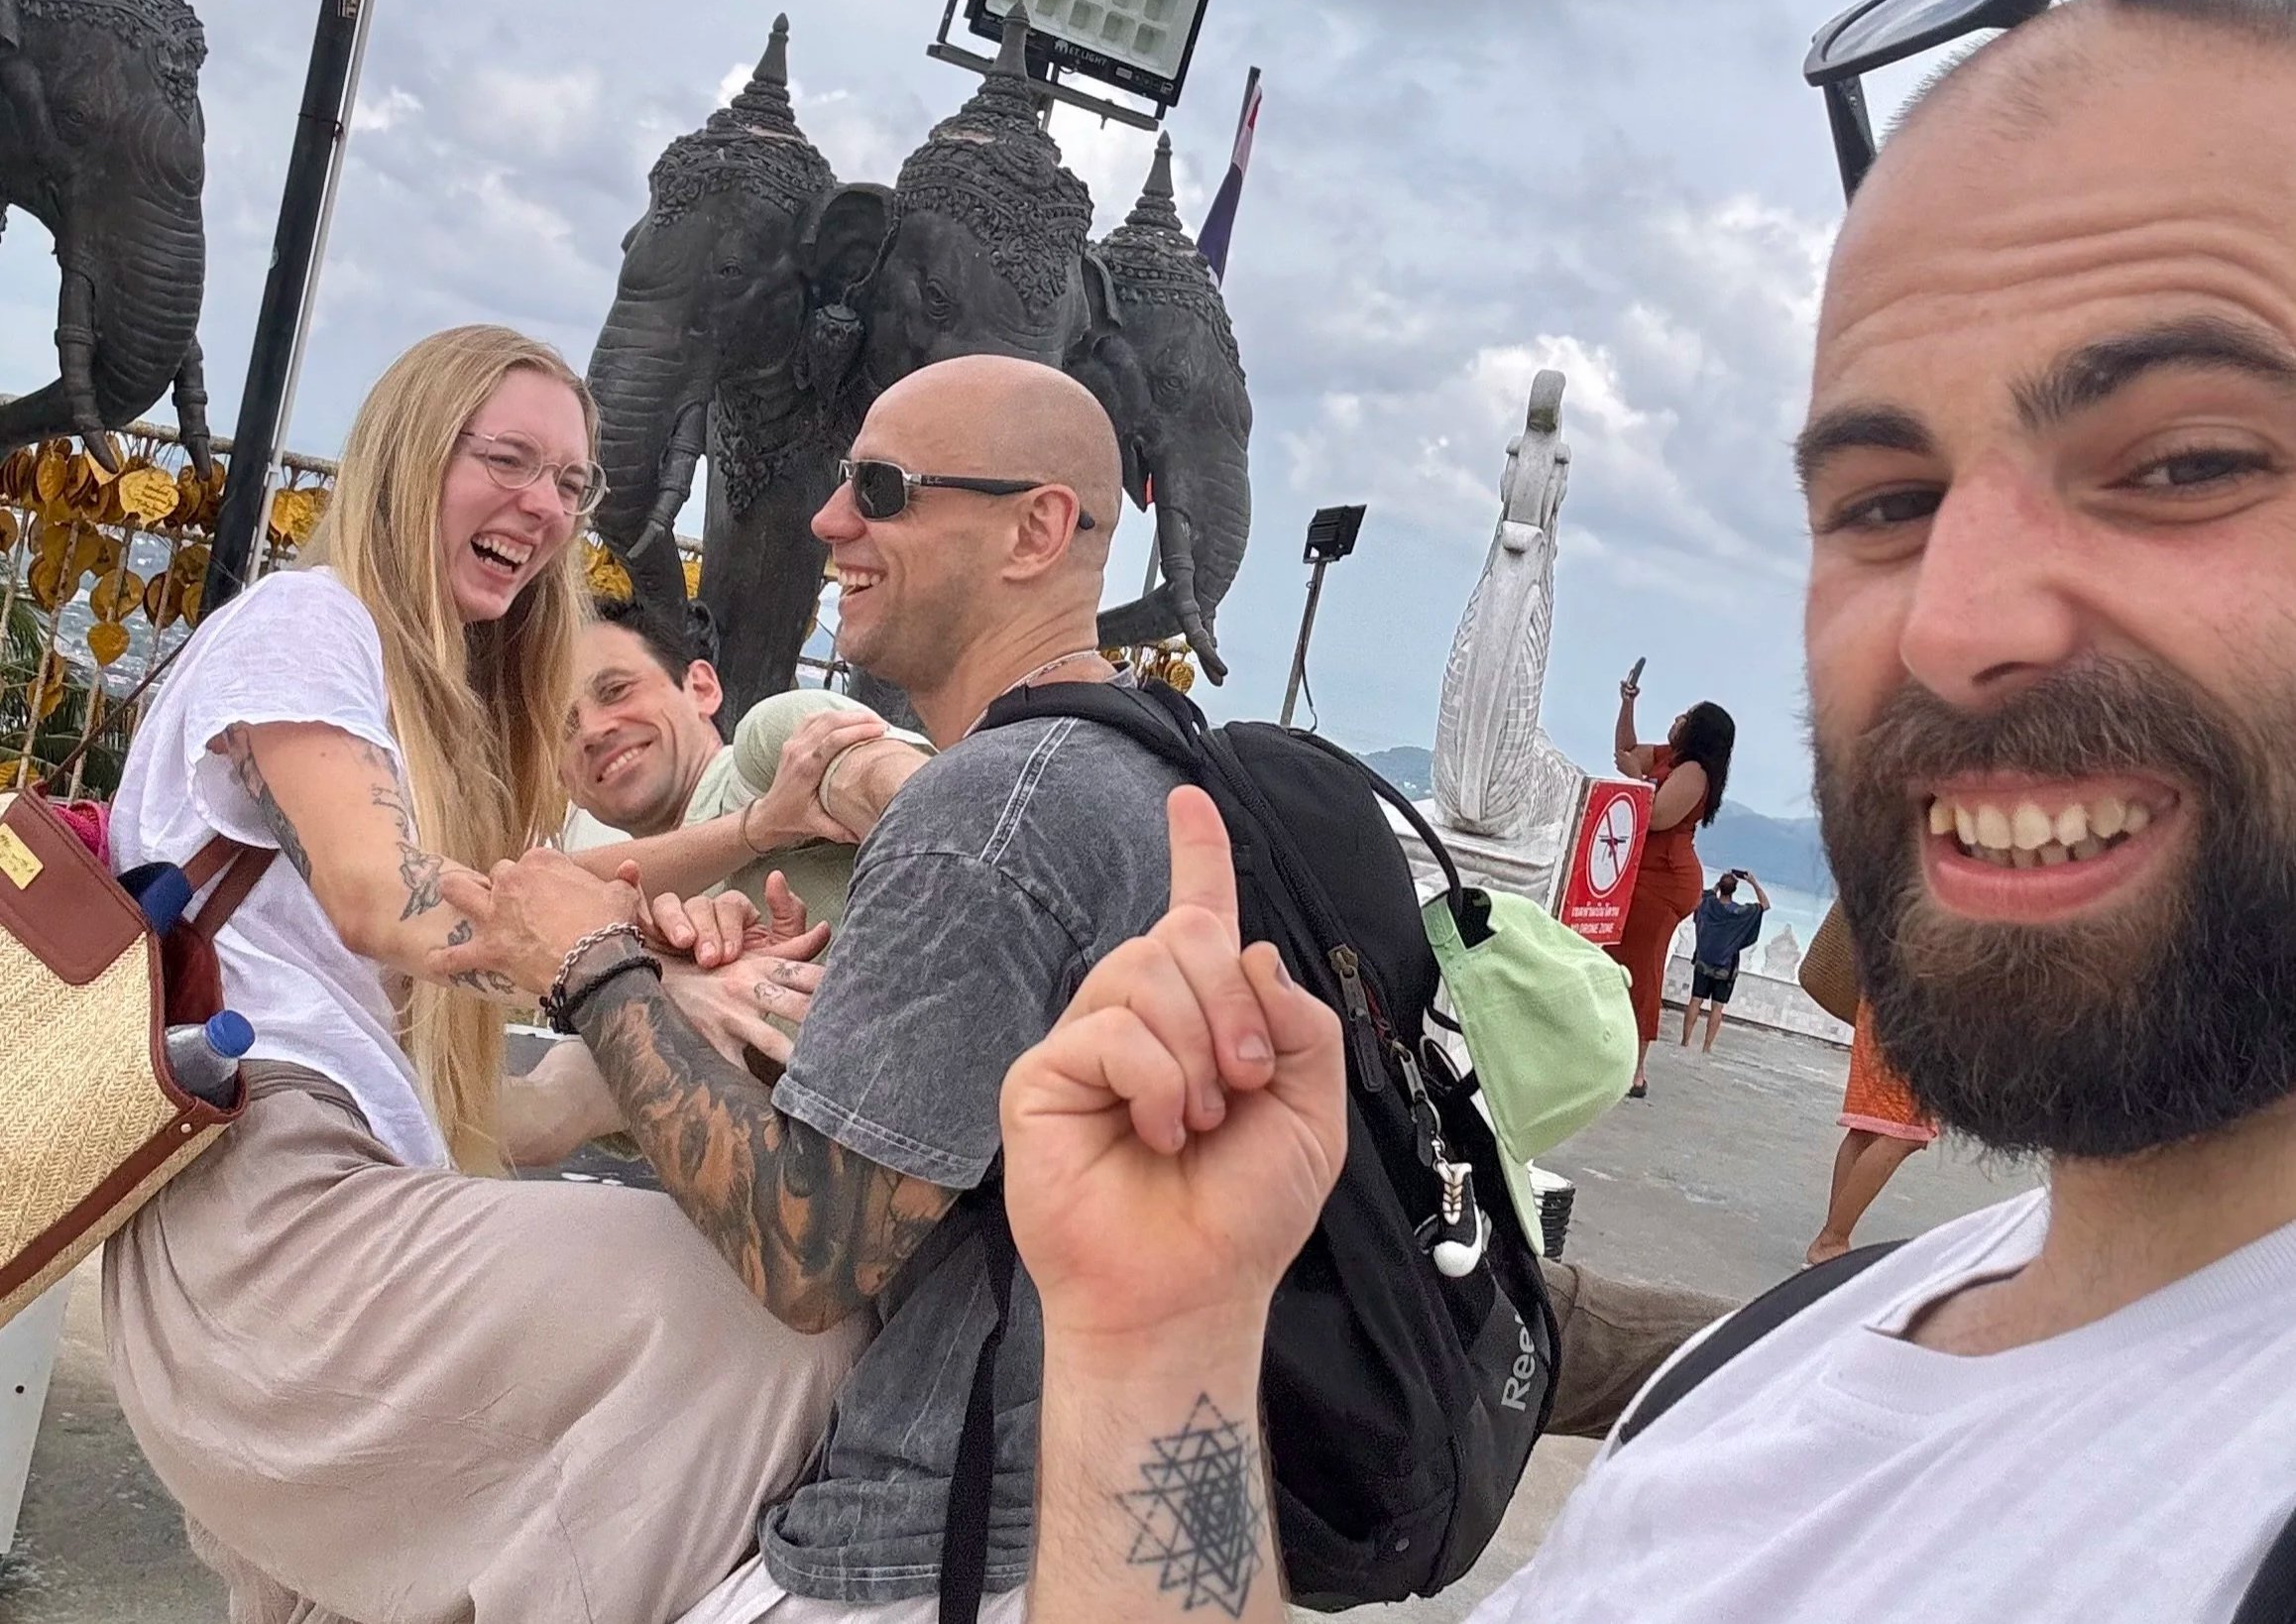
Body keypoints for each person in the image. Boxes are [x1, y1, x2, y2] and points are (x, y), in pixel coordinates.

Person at [1005, 0, 2296, 1621]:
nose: (1958, 624)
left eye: (2185, 461)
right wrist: (1156, 1346)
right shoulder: (1780, 1368)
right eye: (1887, 497)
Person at [446, 355, 1731, 1623]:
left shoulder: (988, 812)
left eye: (881, 488)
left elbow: (810, 1253)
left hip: (946, 1542)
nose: (830, 520)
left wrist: (593, 968)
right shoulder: (1146, 767)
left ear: (1037, 529)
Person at [101, 325, 863, 1624]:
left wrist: (696, 939)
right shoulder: (307, 622)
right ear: (407, 457)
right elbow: (386, 899)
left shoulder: (407, 689)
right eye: (506, 459)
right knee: (767, 1311)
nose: (544, 507)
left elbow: (510, 920)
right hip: (266, 1226)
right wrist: (612, 973)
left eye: (570, 486)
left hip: (295, 1226)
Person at [558, 595, 931, 932]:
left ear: (701, 688)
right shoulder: (600, 927)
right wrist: (756, 828)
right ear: (559, 778)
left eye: (616, 690)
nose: (590, 731)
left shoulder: (768, 751)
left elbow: (915, 798)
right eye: (564, 726)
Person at [1608, 684, 1735, 1096]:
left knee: (1642, 967)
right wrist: (1628, 703)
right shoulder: (1667, 757)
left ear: (1698, 731)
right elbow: (1626, 749)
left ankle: (1637, 1070)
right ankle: (1613, 1050)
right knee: (1619, 958)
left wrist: (1636, 777)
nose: (1677, 718)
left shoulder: (1694, 773)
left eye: (1687, 716)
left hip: (1665, 878)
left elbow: (1658, 817)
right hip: (1643, 873)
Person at [1806, 997, 1938, 1265]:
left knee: (1867, 1127)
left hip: (1882, 994)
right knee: (1905, 1132)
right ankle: (1831, 1240)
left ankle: (1831, 1242)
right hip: (1912, 1001)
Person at [1680, 869, 1768, 1051]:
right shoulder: (1739, 912)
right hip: (1726, 968)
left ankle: (1685, 1041)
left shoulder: (1708, 904)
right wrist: (1752, 882)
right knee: (1717, 1008)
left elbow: (1703, 896)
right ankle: (1706, 1047)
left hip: (1703, 962)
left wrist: (1717, 886)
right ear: (1735, 890)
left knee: (1695, 1000)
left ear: (1720, 887)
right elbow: (1764, 905)